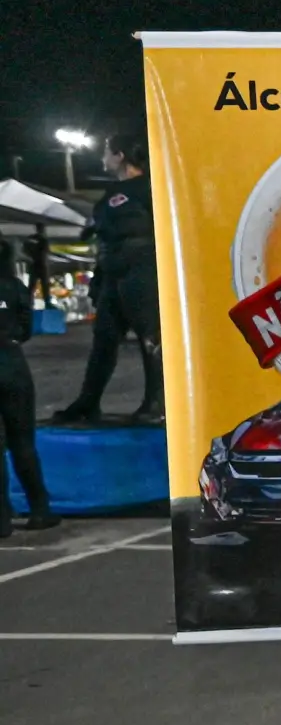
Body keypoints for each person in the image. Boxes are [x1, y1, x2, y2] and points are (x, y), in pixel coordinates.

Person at [52, 132, 162, 425]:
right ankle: (88, 401)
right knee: (104, 340)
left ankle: (157, 403)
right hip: (113, 272)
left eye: (106, 151)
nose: (103, 158)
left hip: (142, 271)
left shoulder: (151, 187)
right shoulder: (110, 194)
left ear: (120, 155)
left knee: (151, 338)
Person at [0, 241, 60, 537]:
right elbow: (26, 328)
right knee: (22, 442)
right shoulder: (13, 285)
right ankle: (40, 511)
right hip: (11, 363)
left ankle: (2, 519)